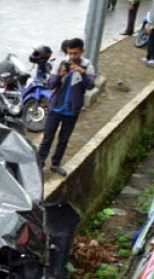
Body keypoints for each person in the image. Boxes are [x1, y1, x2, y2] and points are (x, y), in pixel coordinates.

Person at [38, 38, 96, 176]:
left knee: (64, 139)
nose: (72, 57)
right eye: (69, 53)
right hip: (56, 107)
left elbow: (90, 86)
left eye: (75, 53)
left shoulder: (87, 65)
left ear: (82, 51)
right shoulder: (60, 63)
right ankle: (39, 163)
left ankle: (55, 164)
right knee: (47, 138)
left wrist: (81, 72)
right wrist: (60, 75)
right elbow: (50, 85)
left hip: (72, 109)